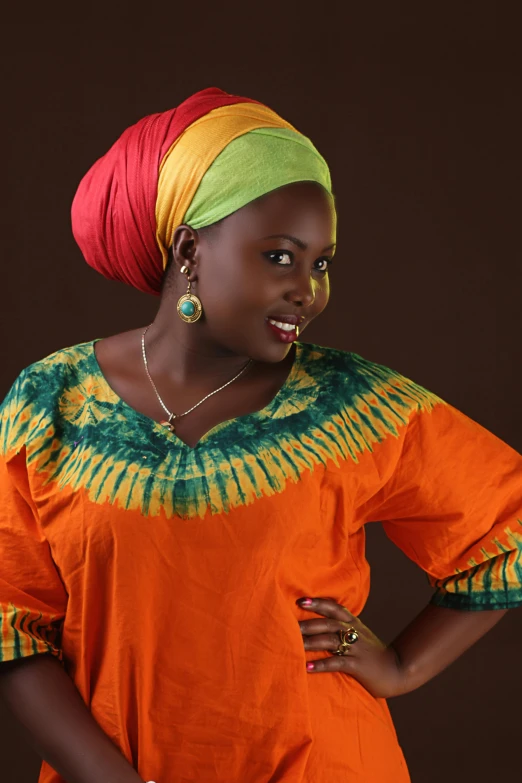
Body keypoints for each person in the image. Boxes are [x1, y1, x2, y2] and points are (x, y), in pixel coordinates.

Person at [0, 87, 521, 783]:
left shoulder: (351, 404)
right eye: (280, 257)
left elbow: (507, 524)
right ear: (189, 249)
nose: (309, 290)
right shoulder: (50, 402)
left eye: (321, 263)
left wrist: (402, 666)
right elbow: (11, 622)